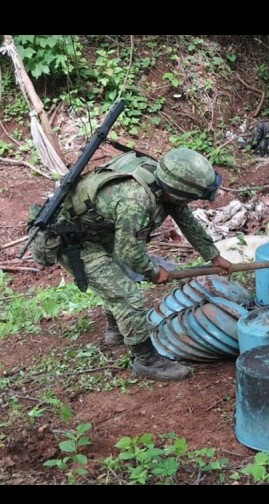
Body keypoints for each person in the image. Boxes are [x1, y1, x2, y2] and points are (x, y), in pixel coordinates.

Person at [34, 147, 232, 382]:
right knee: (127, 296)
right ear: (178, 190)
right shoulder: (135, 200)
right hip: (73, 241)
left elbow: (186, 219)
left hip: (99, 229)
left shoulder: (163, 182)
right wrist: (154, 271)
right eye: (192, 197)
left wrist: (214, 256)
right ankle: (147, 360)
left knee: (119, 281)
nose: (192, 201)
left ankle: (116, 331)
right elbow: (130, 253)